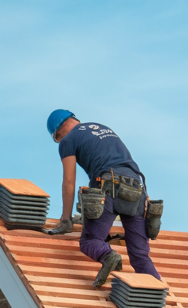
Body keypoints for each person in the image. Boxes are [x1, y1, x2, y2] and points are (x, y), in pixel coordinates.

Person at [46, 109, 162, 288]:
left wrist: (66, 219)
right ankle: (159, 295)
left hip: (109, 186)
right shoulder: (102, 128)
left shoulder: (68, 140)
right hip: (137, 190)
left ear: (58, 134)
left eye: (58, 139)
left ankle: (109, 256)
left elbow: (69, 181)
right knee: (140, 256)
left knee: (90, 241)